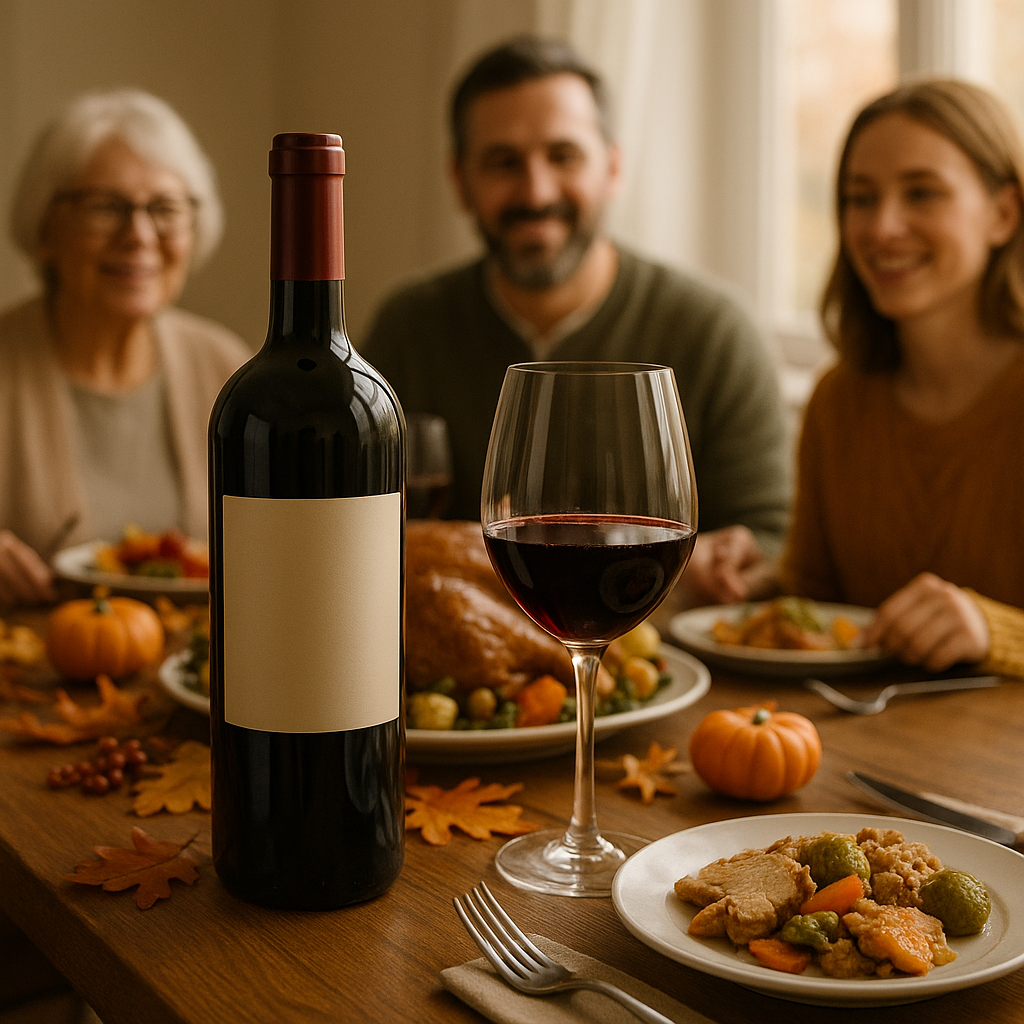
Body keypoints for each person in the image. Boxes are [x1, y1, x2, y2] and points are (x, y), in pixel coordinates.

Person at [360, 36, 791, 604]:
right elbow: (353, 530)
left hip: (669, 671)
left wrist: (739, 561)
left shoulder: (714, 332)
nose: (536, 192)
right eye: (503, 163)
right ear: (460, 181)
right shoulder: (407, 328)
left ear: (612, 167)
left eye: (563, 156)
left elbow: (775, 540)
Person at [723, 79, 1024, 678]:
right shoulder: (839, 400)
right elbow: (821, 603)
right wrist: (757, 582)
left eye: (921, 193)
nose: (882, 227)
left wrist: (995, 631)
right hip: (869, 753)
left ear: (1003, 213)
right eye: (860, 198)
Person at [0, 89, 251, 607]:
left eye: (164, 208)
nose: (138, 234)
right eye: (104, 207)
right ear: (46, 228)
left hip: (201, 677)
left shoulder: (230, 370)